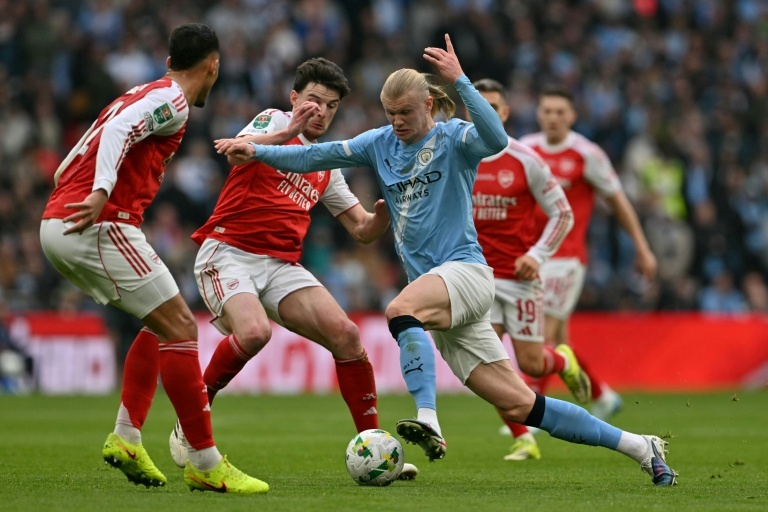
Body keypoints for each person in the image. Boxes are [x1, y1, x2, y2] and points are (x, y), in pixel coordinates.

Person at [222, 34, 678, 486]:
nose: (397, 122)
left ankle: (428, 419)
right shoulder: (378, 143)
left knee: (398, 310)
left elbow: (496, 137)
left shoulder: (456, 138)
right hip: (442, 298)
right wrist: (258, 150)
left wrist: (461, 81)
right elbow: (315, 155)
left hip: (467, 272)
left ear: (428, 105)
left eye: (405, 113)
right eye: (390, 113)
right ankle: (641, 446)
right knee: (522, 404)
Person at [39, 23, 268, 494]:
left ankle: (126, 436)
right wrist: (102, 190)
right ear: (213, 66)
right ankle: (205, 462)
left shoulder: (144, 90)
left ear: (168, 61)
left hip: (64, 220)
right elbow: (120, 130)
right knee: (183, 327)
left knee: (159, 321)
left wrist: (71, 183)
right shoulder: (175, 99)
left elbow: (89, 143)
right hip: (99, 223)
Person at [167, 57, 418, 479]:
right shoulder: (272, 121)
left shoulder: (326, 162)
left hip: (280, 265)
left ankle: (375, 450)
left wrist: (385, 213)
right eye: (314, 101)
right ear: (294, 98)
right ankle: (193, 418)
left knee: (348, 336)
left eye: (331, 105)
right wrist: (290, 130)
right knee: (255, 332)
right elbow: (240, 155)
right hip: (228, 251)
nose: (321, 111)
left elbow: (360, 229)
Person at [517, 86, 658, 420]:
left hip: (566, 258)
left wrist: (642, 246)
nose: (553, 117)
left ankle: (531, 415)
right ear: (539, 114)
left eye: (560, 112)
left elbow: (617, 200)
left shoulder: (586, 153)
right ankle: (602, 395)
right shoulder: (527, 149)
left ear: (572, 116)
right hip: (532, 256)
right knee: (561, 340)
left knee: (541, 337)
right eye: (547, 111)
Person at [470, 78, 588, 462]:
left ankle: (563, 361)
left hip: (521, 282)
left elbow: (563, 213)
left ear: (504, 113)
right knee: (488, 367)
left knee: (532, 363)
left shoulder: (524, 159)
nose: (484, 112)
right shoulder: (457, 156)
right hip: (479, 279)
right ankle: (524, 438)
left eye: (493, 106)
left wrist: (537, 255)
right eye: (477, 105)